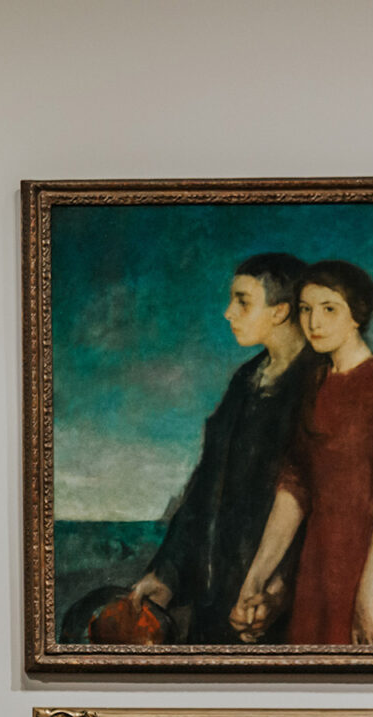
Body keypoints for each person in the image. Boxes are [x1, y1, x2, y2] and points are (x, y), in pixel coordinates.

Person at [229, 260, 373, 645]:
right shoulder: (314, 385)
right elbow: (294, 490)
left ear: (356, 317)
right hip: (319, 569)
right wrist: (254, 580)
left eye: (329, 309)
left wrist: (367, 596)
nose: (314, 322)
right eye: (306, 309)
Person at [128, 252, 320, 644]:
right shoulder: (246, 380)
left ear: (280, 311)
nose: (227, 312)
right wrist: (167, 574)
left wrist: (280, 590)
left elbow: (333, 508)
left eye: (242, 301)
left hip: (283, 612)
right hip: (217, 601)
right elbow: (205, 487)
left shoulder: (322, 384)